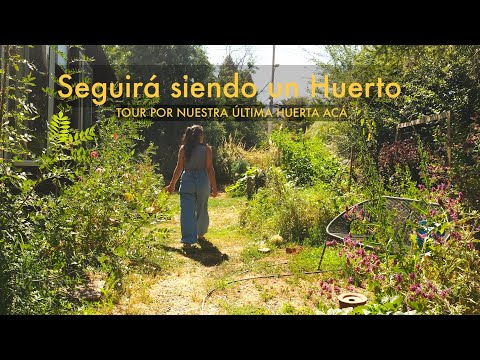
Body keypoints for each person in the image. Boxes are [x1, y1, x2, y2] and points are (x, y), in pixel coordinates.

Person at [165, 125, 218, 249]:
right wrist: (214, 188)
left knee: (186, 211)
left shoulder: (183, 149)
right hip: (203, 180)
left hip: (187, 180)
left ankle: (188, 241)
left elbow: (179, 168)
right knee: (201, 207)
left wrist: (172, 184)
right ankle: (200, 234)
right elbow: (210, 169)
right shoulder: (207, 149)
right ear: (200, 135)